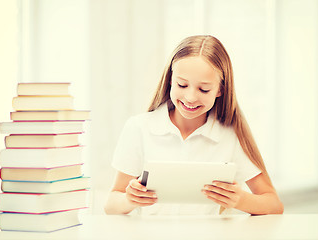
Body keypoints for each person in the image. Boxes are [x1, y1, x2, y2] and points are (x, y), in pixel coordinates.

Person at [104, 35, 284, 215]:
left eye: (204, 89)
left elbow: (274, 205)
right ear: (170, 80)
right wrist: (129, 199)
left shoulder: (231, 135)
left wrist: (240, 199)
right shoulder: (139, 127)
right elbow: (111, 205)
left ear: (220, 89)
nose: (190, 98)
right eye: (182, 85)